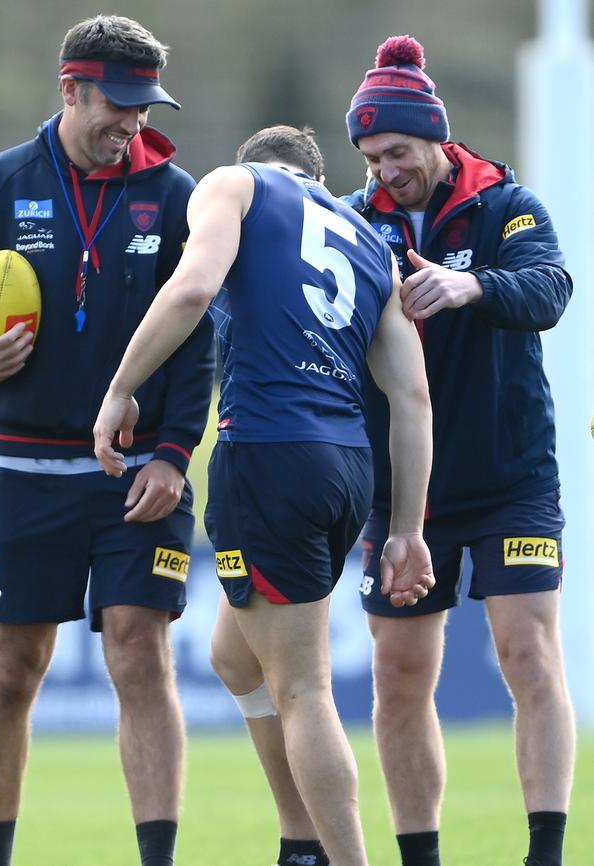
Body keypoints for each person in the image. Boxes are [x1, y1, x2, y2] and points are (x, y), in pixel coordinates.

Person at [93, 124, 436, 866]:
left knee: (305, 689)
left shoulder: (235, 185)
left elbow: (190, 288)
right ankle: (299, 843)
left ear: (257, 168)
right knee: (235, 658)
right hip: (347, 466)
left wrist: (121, 390)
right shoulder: (367, 238)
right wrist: (407, 528)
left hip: (269, 454)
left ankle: (338, 858)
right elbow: (411, 396)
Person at [0, 15, 214, 866]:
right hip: (21, 470)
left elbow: (201, 335)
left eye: (146, 106)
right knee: (11, 671)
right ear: (71, 90)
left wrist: (176, 454)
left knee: (141, 656)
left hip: (135, 473)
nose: (132, 123)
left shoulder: (178, 196)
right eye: (118, 103)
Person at [343, 35, 575, 866]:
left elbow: (550, 290)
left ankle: (544, 852)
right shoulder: (354, 219)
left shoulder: (505, 205)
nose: (385, 171)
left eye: (398, 151)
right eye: (370, 156)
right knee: (399, 674)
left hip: (512, 474)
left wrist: (468, 283)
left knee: (527, 652)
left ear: (436, 138)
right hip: (404, 490)